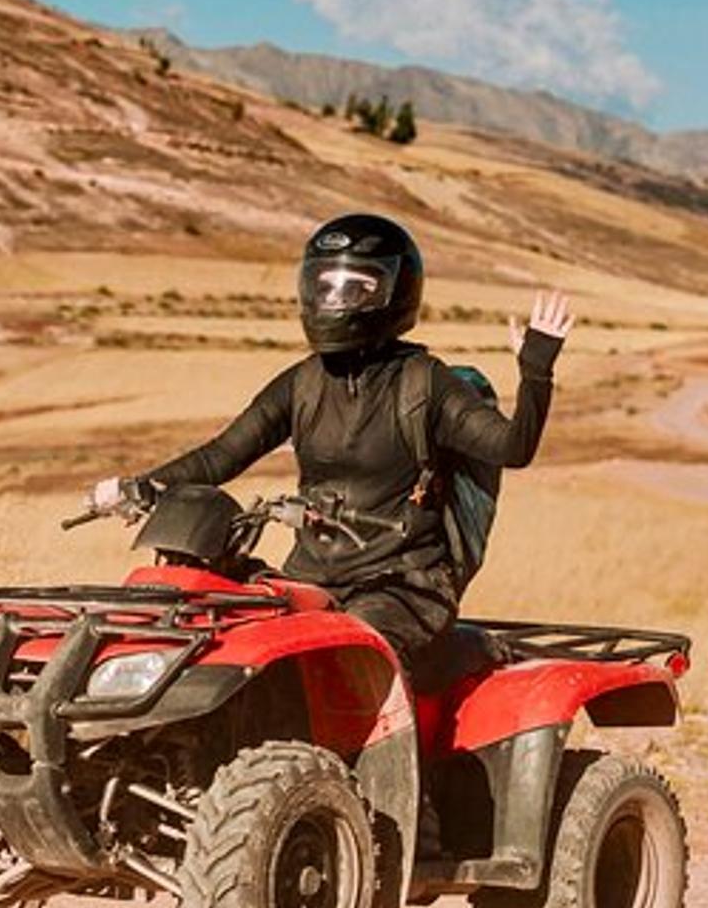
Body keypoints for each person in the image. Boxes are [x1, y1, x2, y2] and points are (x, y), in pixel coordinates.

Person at [87, 212, 574, 678]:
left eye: (356, 287)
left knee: (347, 656)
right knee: (225, 633)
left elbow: (513, 447)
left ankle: (364, 765)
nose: (335, 299)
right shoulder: (303, 383)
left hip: (405, 585)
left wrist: (536, 370)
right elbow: (222, 455)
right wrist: (140, 486)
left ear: (394, 292)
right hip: (310, 575)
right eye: (325, 284)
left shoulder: (427, 383)